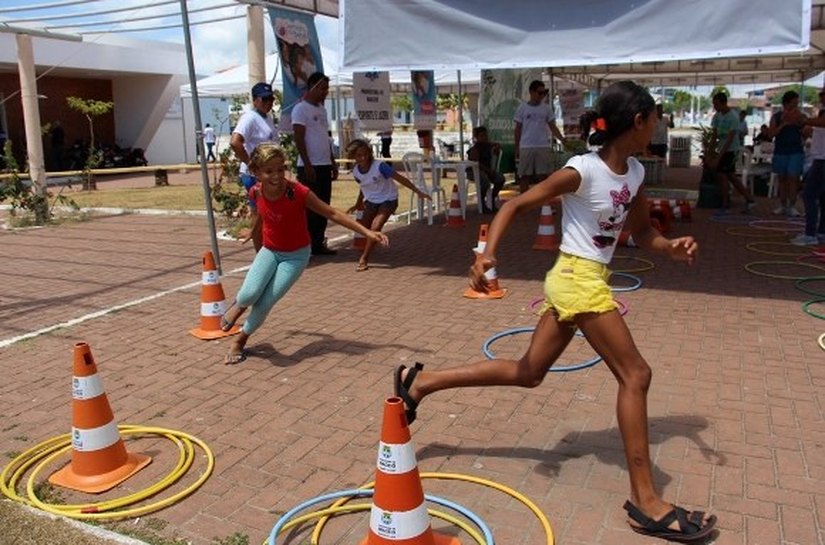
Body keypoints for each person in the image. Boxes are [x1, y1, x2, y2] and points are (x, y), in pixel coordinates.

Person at [393, 81, 716, 543]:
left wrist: (671, 247)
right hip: (575, 279)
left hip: (587, 278)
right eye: (655, 120)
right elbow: (515, 204)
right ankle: (646, 501)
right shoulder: (582, 170)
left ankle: (421, 383)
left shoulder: (635, 173)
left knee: (528, 372)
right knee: (636, 375)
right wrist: (486, 254)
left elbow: (644, 233)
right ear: (638, 121)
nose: (657, 128)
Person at [219, 144, 388, 364]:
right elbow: (260, 212)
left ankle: (240, 341)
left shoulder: (297, 192)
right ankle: (240, 304)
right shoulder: (256, 191)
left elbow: (332, 213)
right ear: (256, 172)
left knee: (265, 303)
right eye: (269, 171)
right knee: (249, 294)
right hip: (270, 250)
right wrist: (253, 231)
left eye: (280, 169)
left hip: (295, 256)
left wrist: (367, 232)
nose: (276, 175)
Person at [345, 139, 430, 271]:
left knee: (375, 227)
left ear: (370, 153)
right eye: (359, 155)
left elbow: (400, 178)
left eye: (366, 154)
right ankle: (373, 243)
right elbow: (364, 186)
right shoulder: (356, 171)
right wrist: (357, 204)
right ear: (353, 156)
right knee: (364, 227)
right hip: (371, 201)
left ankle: (364, 258)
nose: (363, 158)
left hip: (388, 199)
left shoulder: (380, 166)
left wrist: (418, 191)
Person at [293, 72, 339, 256]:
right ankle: (305, 247)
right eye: (322, 88)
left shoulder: (322, 110)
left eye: (327, 88)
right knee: (310, 209)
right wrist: (307, 164)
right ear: (312, 87)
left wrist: (332, 162)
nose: (325, 92)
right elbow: (299, 137)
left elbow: (326, 138)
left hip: (324, 164)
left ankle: (318, 244)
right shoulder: (300, 109)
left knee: (324, 206)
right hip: (309, 166)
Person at [230, 82, 279, 216]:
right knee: (259, 213)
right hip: (254, 176)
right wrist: (251, 164)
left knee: (268, 212)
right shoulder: (250, 118)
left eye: (271, 99)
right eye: (264, 99)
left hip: (267, 173)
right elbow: (235, 142)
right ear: (255, 100)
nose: (268, 102)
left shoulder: (267, 118)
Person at [514, 80, 567, 193]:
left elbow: (552, 126)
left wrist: (562, 139)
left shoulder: (546, 108)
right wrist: (517, 147)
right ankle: (524, 200)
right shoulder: (522, 108)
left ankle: (544, 200)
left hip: (543, 145)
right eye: (539, 92)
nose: (542, 95)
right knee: (524, 176)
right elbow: (517, 129)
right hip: (526, 146)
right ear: (531, 92)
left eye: (544, 93)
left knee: (543, 176)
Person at [709, 92, 756, 213]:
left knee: (723, 175)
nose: (715, 107)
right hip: (722, 149)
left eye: (716, 104)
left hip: (731, 150)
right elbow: (714, 135)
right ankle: (748, 199)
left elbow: (730, 139)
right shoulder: (717, 116)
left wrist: (719, 157)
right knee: (730, 176)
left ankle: (726, 203)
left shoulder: (733, 117)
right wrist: (710, 152)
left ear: (723, 103)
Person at [766, 90, 806, 216]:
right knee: (782, 178)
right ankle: (783, 205)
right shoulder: (777, 117)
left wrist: (801, 123)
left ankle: (792, 206)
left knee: (793, 178)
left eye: (797, 103)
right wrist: (783, 124)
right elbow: (770, 134)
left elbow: (807, 132)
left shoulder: (800, 116)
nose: (796, 106)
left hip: (796, 151)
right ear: (786, 103)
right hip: (781, 151)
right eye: (794, 103)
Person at [795, 101, 825, 245]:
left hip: (822, 160)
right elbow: (814, 130)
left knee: (809, 195)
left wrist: (804, 119)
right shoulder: (821, 114)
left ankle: (810, 234)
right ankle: (821, 232)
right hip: (820, 158)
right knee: (823, 197)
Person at [467, 126, 506, 213]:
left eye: (485, 135)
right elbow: (476, 164)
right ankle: (482, 203)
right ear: (477, 137)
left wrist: (497, 147)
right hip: (474, 171)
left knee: (500, 178)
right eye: (482, 136)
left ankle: (492, 198)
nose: (484, 137)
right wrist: (489, 171)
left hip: (488, 171)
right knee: (484, 180)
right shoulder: (474, 149)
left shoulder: (488, 146)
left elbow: (497, 148)